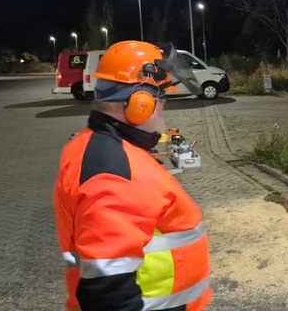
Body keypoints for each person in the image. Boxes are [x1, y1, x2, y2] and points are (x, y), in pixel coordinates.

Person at [53, 40, 212, 311]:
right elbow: (108, 293)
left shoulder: (102, 146)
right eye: (160, 99)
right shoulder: (112, 174)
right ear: (140, 104)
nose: (163, 108)